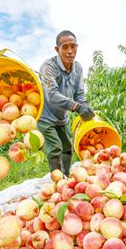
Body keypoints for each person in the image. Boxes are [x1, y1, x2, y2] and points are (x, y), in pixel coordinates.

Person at [38, 30, 95, 176]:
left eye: (73, 46)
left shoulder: (77, 67)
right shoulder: (48, 67)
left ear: (77, 47)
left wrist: (85, 105)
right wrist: (76, 106)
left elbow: (79, 94)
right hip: (45, 115)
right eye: (65, 47)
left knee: (67, 147)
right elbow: (51, 95)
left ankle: (66, 176)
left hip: (61, 117)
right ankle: (57, 182)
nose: (70, 51)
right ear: (57, 49)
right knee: (55, 147)